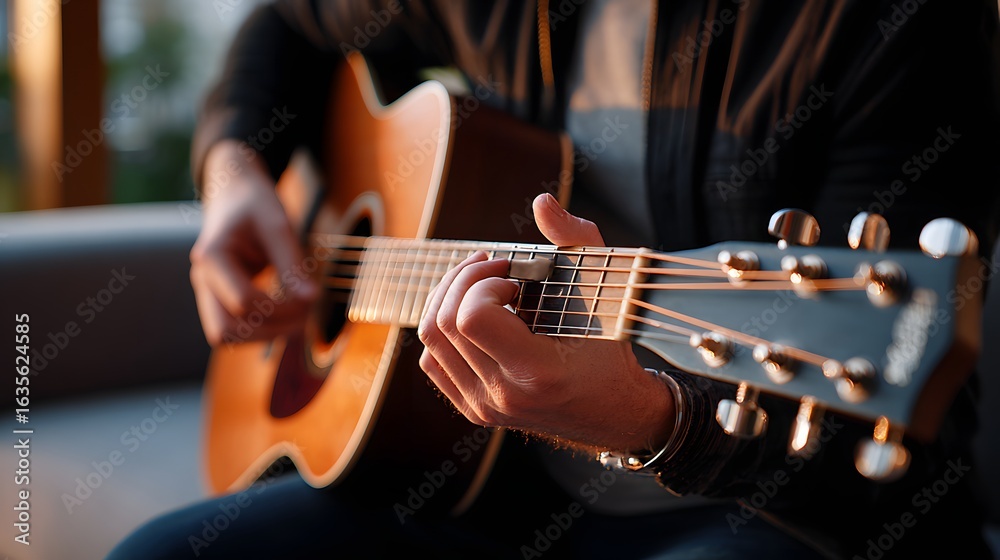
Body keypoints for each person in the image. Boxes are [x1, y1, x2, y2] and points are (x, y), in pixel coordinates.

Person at [109, 1, 1000, 558]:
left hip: (750, 512)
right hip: (477, 480)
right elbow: (288, 25)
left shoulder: (889, 25)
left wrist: (649, 419)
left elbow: (906, 467)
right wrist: (233, 171)